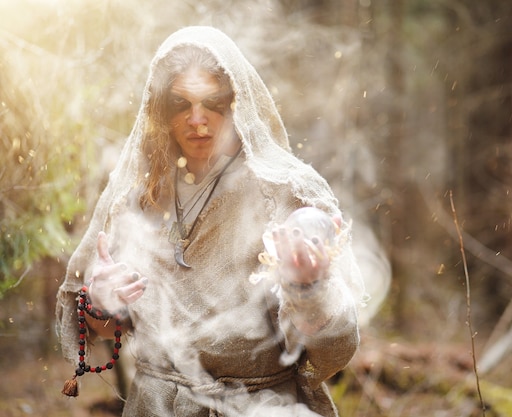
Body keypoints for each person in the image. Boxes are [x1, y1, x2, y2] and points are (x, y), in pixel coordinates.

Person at [56, 26, 364, 417]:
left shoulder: (288, 191)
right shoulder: (137, 195)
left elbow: (336, 350)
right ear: (160, 111)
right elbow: (106, 329)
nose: (197, 119)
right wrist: (101, 304)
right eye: (180, 103)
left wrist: (310, 290)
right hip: (157, 406)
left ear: (237, 102)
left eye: (212, 102)